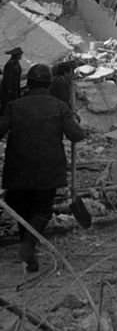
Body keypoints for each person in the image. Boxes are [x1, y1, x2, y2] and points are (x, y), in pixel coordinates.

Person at [0, 63, 86, 271]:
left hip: (17, 169)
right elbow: (76, 135)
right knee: (41, 209)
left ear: (28, 84)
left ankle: (27, 247)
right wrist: (73, 120)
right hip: (48, 169)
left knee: (21, 208)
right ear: (48, 84)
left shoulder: (14, 106)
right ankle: (29, 244)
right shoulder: (59, 106)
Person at [1, 49, 23, 116]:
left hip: (14, 89)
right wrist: (9, 90)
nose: (21, 56)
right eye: (20, 54)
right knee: (7, 105)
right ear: (17, 55)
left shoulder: (15, 63)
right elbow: (8, 78)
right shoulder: (11, 64)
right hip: (10, 90)